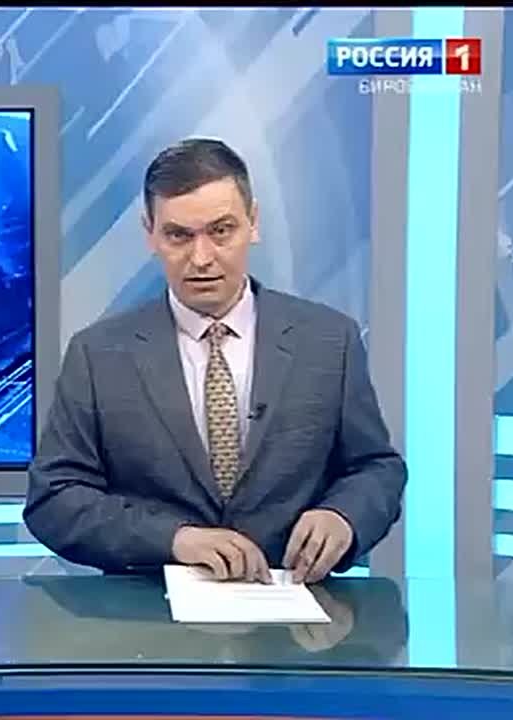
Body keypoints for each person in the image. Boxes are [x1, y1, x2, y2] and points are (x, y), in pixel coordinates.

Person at [25, 138, 406, 584]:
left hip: (293, 606)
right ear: (150, 233)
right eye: (178, 236)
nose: (201, 258)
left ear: (253, 223)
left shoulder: (328, 341)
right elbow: (54, 500)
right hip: (150, 611)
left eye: (221, 231)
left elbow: (376, 469)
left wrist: (343, 516)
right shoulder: (98, 355)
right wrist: (174, 540)